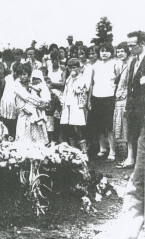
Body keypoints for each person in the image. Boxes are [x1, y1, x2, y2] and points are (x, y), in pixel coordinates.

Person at [95, 30, 145, 239]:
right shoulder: (134, 61)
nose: (131, 48)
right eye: (129, 45)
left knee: (139, 182)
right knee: (139, 177)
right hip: (138, 115)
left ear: (142, 43)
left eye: (133, 45)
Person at [88, 43, 120, 161]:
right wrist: (90, 99)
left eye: (107, 51)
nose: (104, 53)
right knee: (99, 125)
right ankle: (103, 148)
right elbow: (92, 82)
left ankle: (112, 151)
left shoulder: (115, 64)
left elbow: (118, 80)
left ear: (111, 52)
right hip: (97, 97)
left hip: (109, 97)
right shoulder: (95, 65)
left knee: (109, 126)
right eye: (102, 51)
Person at [60, 59, 89, 158]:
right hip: (68, 105)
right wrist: (63, 101)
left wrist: (75, 80)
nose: (72, 69)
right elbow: (65, 91)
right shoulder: (68, 79)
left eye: (74, 67)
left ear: (78, 68)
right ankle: (73, 151)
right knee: (69, 128)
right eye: (70, 68)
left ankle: (84, 152)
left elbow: (80, 89)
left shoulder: (82, 78)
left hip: (76, 105)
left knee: (78, 128)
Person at [14, 63, 48, 145]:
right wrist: (39, 103)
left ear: (29, 75)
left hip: (34, 114)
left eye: (24, 74)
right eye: (20, 75)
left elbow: (43, 94)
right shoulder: (17, 84)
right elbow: (27, 97)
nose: (22, 77)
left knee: (36, 136)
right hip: (23, 113)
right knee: (22, 135)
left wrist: (44, 102)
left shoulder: (33, 84)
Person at [114, 42, 134, 169]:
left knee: (129, 129)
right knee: (125, 130)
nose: (120, 53)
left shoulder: (131, 63)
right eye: (118, 51)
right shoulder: (119, 64)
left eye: (123, 51)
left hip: (128, 98)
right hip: (119, 98)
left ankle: (131, 158)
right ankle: (129, 157)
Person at [0, 62, 21, 139]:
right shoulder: (7, 78)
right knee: (5, 120)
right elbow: (1, 88)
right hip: (6, 101)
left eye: (17, 72)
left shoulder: (21, 79)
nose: (15, 73)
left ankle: (13, 136)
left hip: (16, 102)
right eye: (14, 71)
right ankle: (5, 136)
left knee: (15, 121)